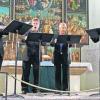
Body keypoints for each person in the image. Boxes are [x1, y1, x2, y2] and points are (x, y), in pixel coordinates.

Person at [21, 17, 40, 94]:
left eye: (36, 23)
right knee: (26, 73)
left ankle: (35, 89)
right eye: (34, 23)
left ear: (39, 25)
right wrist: (25, 38)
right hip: (27, 56)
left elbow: (45, 43)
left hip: (36, 57)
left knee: (36, 73)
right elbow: (22, 39)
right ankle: (24, 89)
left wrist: (43, 40)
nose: (35, 25)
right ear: (32, 24)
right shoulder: (27, 32)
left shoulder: (40, 34)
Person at [51, 22, 70, 91]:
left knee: (65, 73)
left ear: (66, 29)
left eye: (64, 27)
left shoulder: (68, 37)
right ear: (59, 28)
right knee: (57, 73)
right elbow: (51, 44)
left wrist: (70, 42)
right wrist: (54, 42)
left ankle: (65, 88)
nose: (63, 29)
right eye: (62, 27)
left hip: (65, 57)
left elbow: (70, 45)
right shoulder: (55, 36)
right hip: (57, 57)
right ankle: (57, 88)